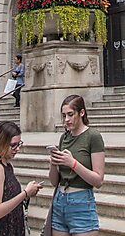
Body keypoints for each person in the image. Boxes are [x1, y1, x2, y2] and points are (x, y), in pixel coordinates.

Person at [48, 95, 105, 236]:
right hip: (60, 201)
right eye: (63, 115)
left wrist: (72, 163)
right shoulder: (64, 137)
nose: (66, 120)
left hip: (81, 202)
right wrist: (53, 163)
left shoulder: (93, 136)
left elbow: (98, 180)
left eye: (70, 114)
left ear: (82, 113)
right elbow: (54, 181)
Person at [0, 121, 42, 236]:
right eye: (13, 145)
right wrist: (25, 193)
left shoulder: (6, 165)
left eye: (19, 144)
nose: (17, 149)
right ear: (1, 143)